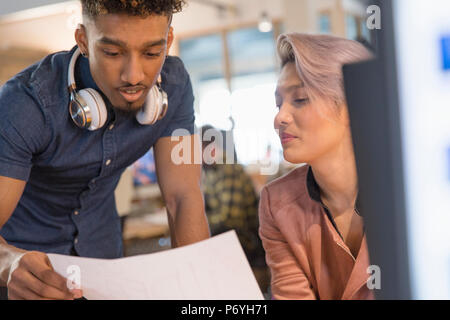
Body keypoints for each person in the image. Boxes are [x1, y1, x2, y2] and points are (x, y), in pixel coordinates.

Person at [0, 0, 210, 300]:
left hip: (103, 268)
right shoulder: (25, 104)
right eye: (112, 52)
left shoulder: (176, 87)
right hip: (27, 279)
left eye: (152, 53)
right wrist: (10, 265)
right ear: (83, 40)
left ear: (169, 41)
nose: (134, 76)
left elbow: (184, 196)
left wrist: (200, 293)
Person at [258, 33, 374, 300]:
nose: (279, 118)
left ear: (352, 106)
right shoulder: (277, 204)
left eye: (300, 99)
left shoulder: (413, 190)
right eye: (278, 103)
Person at [200, 125, 269, 293]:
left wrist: (195, 220)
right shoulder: (209, 170)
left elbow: (229, 220)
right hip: (228, 246)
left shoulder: (227, 168)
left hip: (247, 249)